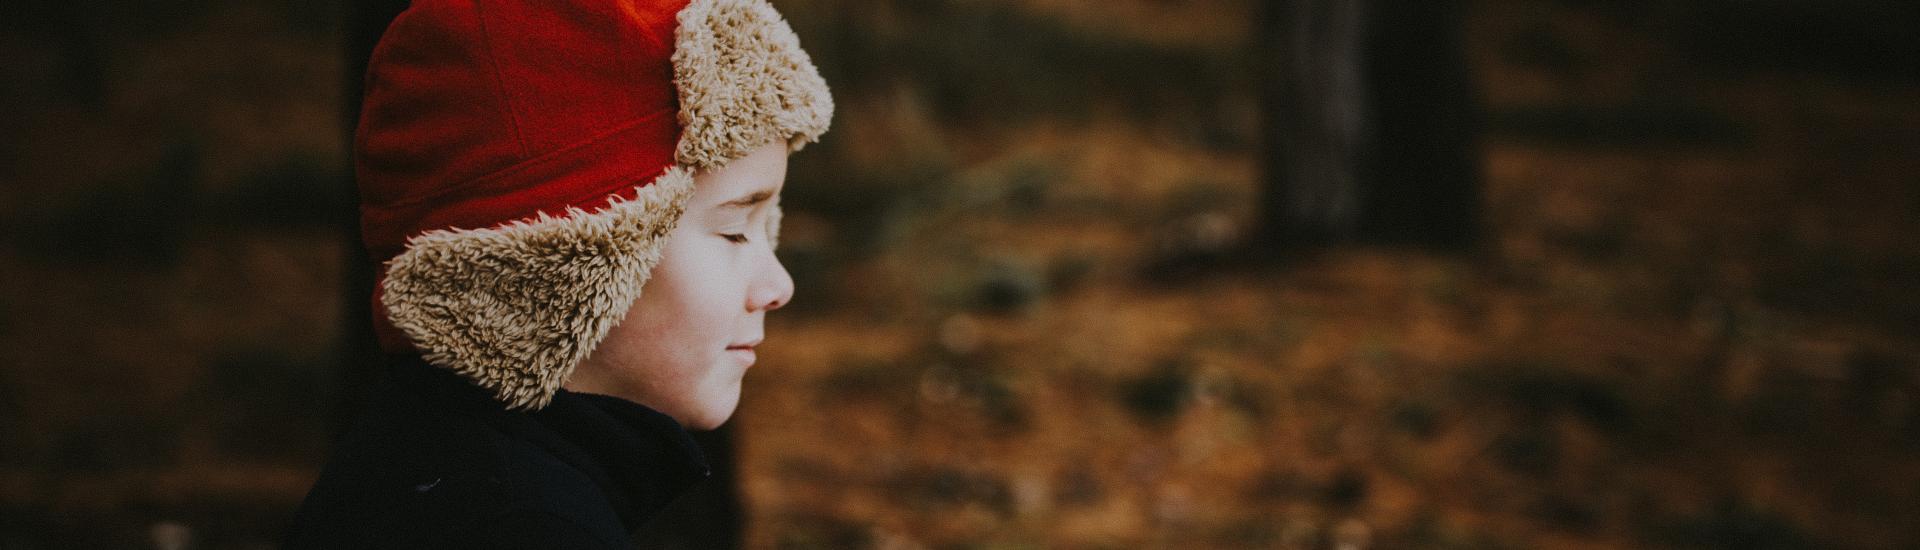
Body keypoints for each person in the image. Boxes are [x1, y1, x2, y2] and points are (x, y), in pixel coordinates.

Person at [285, 0, 832, 546]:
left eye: (769, 224)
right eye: (735, 229)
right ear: (556, 263)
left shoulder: (412, 464)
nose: (778, 287)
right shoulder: (528, 531)